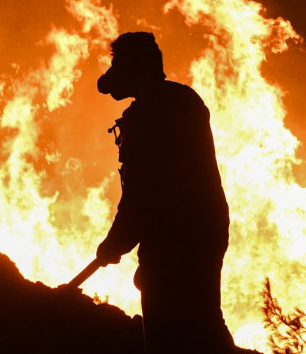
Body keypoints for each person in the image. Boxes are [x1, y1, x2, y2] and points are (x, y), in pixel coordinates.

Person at [96, 31, 235, 354]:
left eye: (119, 65)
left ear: (135, 69)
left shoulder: (149, 115)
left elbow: (144, 193)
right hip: (206, 228)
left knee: (165, 331)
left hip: (174, 236)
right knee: (204, 320)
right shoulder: (184, 100)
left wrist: (115, 244)